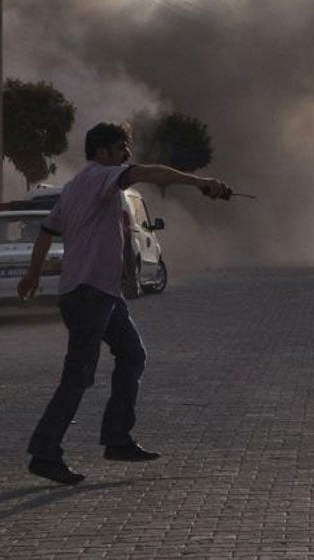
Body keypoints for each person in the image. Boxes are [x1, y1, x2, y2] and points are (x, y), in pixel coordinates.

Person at [18, 122, 233, 486]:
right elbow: (150, 173)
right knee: (78, 377)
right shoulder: (102, 176)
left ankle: (117, 438)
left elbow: (47, 231)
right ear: (102, 152)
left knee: (132, 355)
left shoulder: (74, 188)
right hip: (89, 294)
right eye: (121, 148)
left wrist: (33, 274)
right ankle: (44, 452)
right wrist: (201, 183)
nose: (126, 155)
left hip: (100, 293)